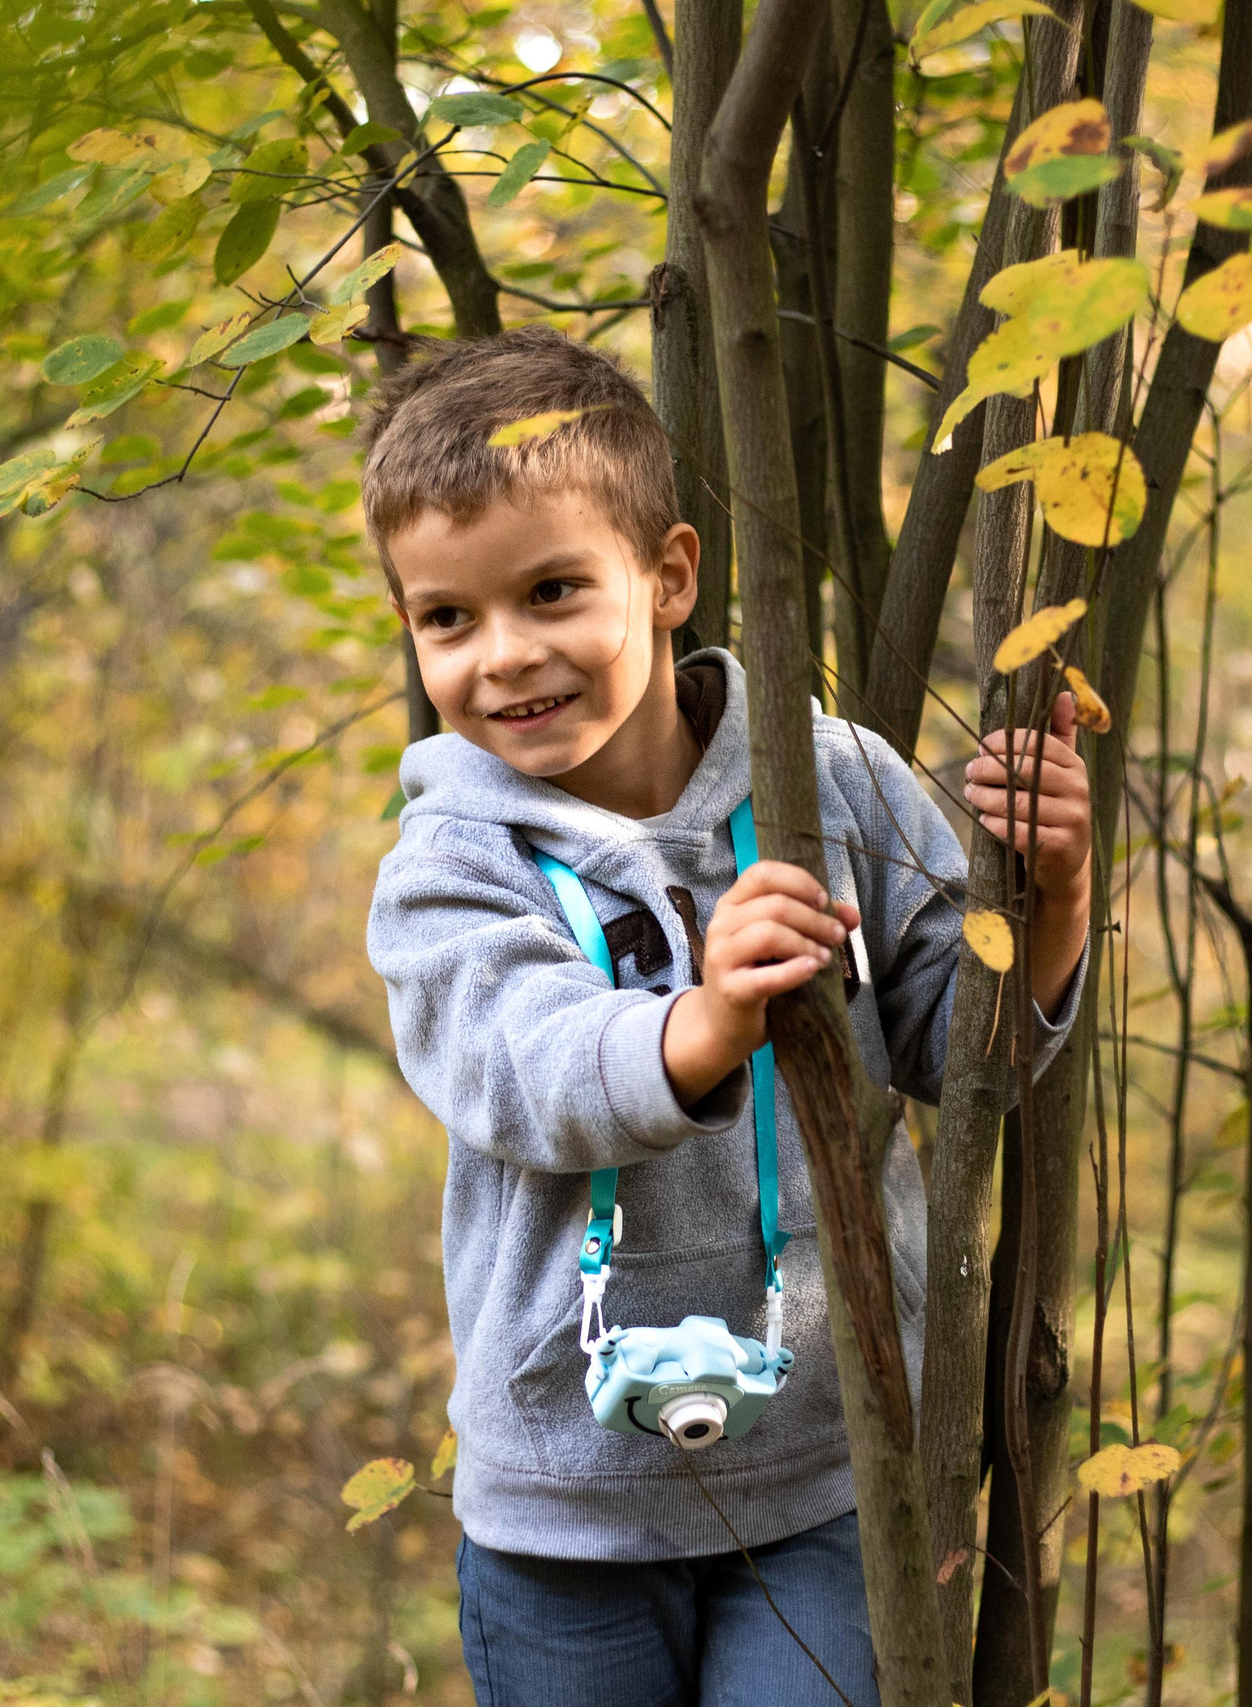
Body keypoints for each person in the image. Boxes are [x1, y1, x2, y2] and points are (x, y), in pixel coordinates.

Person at [361, 327, 1094, 1707]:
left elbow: (963, 1053)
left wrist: (1052, 900)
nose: (505, 656)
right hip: (565, 1507)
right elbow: (526, 1070)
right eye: (448, 618)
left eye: (554, 591)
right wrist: (701, 1024)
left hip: (834, 1470)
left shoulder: (833, 787)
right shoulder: (451, 864)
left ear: (669, 575)